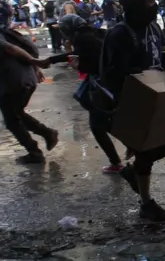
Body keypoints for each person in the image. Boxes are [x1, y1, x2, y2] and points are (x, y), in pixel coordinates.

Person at [99, 0, 165, 221]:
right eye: (150, 2)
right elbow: (113, 75)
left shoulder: (153, 27)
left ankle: (133, 173)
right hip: (131, 103)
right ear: (136, 7)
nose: (155, 6)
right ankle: (146, 203)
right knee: (149, 148)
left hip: (156, 98)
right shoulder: (119, 34)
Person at [0, 7, 59, 164]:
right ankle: (46, 134)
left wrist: (34, 63)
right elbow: (24, 45)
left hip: (13, 81)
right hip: (25, 78)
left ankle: (35, 151)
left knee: (12, 119)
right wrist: (33, 67)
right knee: (16, 113)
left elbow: (11, 48)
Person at [46, 14, 124, 173]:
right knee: (104, 122)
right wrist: (53, 60)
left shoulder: (83, 38)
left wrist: (78, 66)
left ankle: (117, 162)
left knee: (97, 125)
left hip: (102, 83)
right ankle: (130, 149)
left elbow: (91, 62)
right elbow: (80, 54)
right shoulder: (91, 34)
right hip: (109, 82)